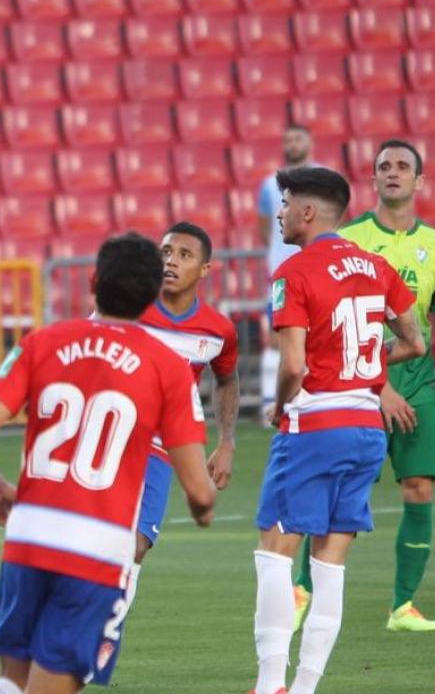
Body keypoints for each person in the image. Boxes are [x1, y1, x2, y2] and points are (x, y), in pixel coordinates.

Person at [0, 232, 216, 694]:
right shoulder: (168, 366)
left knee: (12, 683)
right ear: (154, 294)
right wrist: (203, 511)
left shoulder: (41, 342)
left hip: (29, 535)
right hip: (96, 548)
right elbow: (198, 490)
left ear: (94, 281)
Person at [286, 140, 435, 634]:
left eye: (403, 166)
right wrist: (379, 387)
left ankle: (403, 606)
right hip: (355, 383)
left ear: (419, 180)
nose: (393, 172)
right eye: (384, 166)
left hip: (418, 381)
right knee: (336, 491)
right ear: (372, 180)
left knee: (419, 488)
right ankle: (301, 590)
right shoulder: (348, 240)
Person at [251, 167, 424, 694]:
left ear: (307, 212)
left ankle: (269, 684)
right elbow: (415, 341)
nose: (279, 214)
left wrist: (280, 405)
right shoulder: (377, 266)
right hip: (366, 428)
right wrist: (363, 369)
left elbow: (293, 366)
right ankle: (305, 688)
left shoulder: (293, 272)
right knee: (330, 565)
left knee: (274, 551)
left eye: (285, 205)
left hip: (315, 424)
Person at [128, 222, 240, 601]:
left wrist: (227, 443)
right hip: (116, 436)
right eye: (166, 252)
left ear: (204, 269)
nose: (171, 262)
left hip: (161, 446)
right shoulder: (129, 309)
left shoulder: (218, 330)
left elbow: (226, 379)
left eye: (184, 255)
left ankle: (106, 632)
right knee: (98, 541)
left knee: (137, 546)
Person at [257, 125, 316, 414]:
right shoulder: (270, 184)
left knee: (316, 336)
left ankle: (310, 398)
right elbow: (265, 229)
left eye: (297, 138)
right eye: (288, 140)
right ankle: (271, 402)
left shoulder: (323, 179)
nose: (292, 144)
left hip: (316, 271)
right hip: (281, 274)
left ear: (309, 142)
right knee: (276, 338)